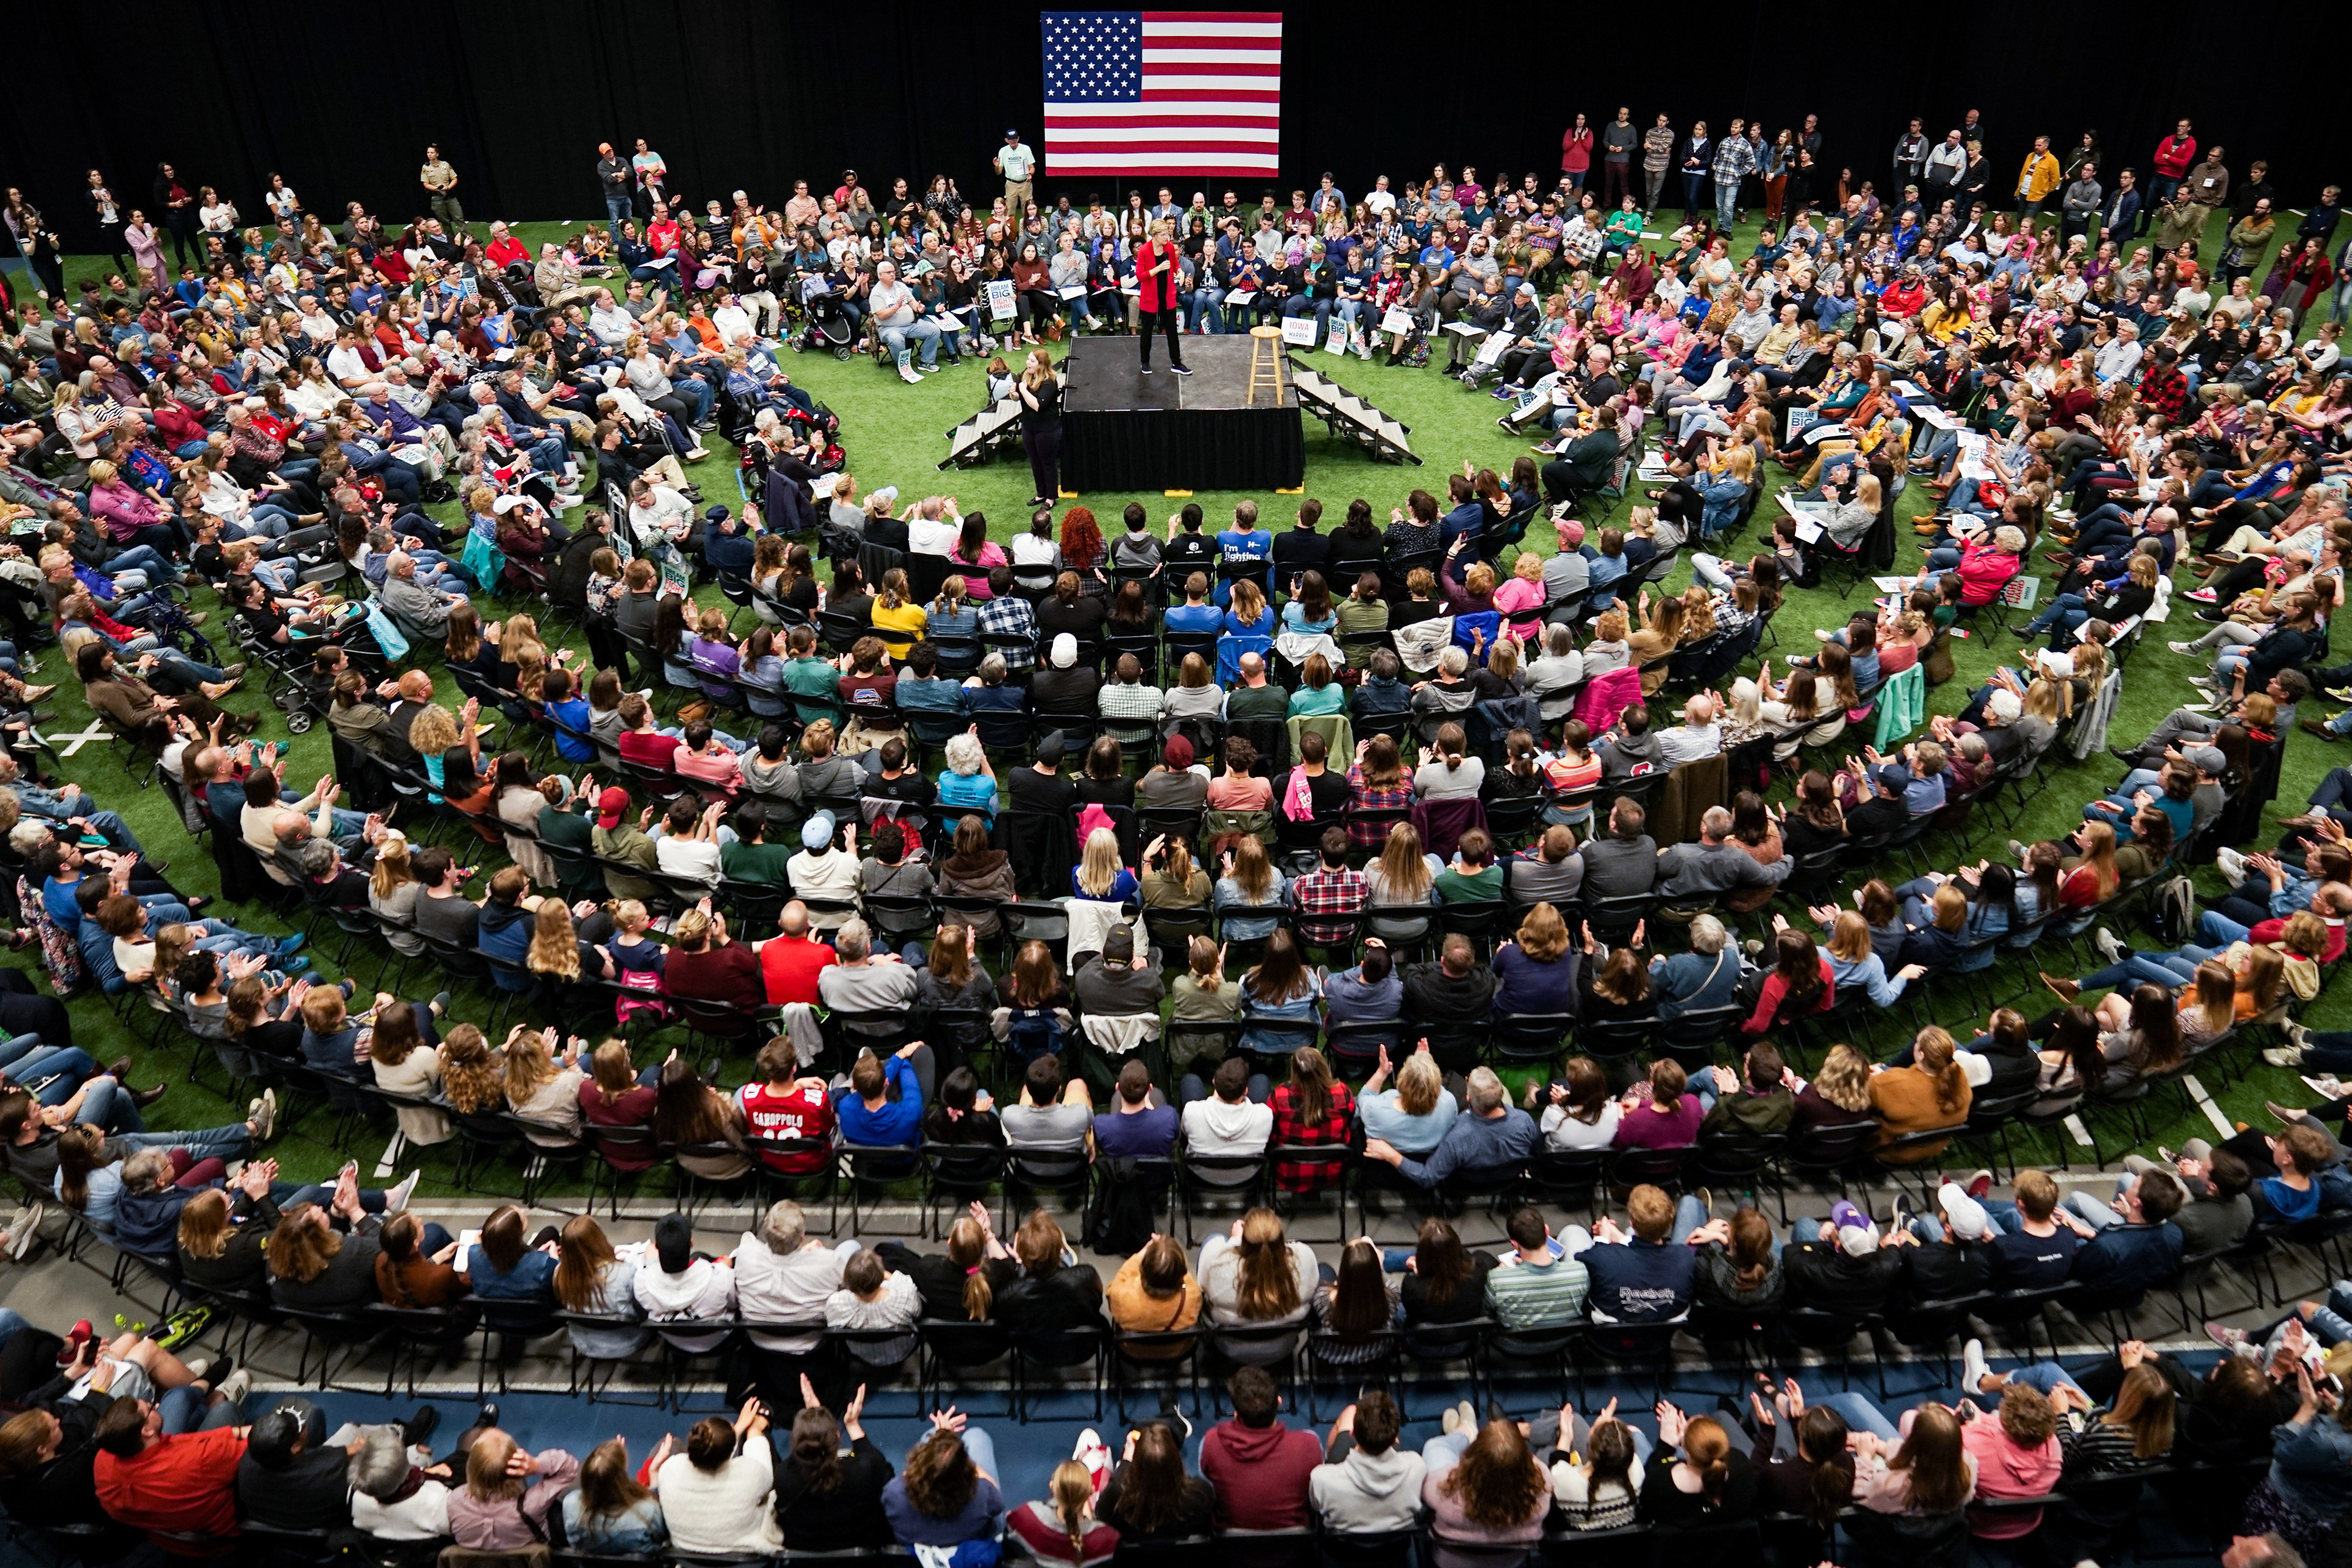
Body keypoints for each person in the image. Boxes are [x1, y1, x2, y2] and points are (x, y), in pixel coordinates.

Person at [655, 1398, 783, 1557]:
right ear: (730, 1452)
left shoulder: (670, 1470)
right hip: (743, 1558)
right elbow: (766, 1473)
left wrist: (737, 1429)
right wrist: (754, 1431)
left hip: (689, 1558)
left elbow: (707, 1452)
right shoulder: (751, 1475)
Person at [1200, 1366, 1321, 1531]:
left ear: (1236, 1413)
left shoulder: (1211, 1442)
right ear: (1278, 1402)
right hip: (1294, 1548)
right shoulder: (1309, 1444)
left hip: (1232, 1550)